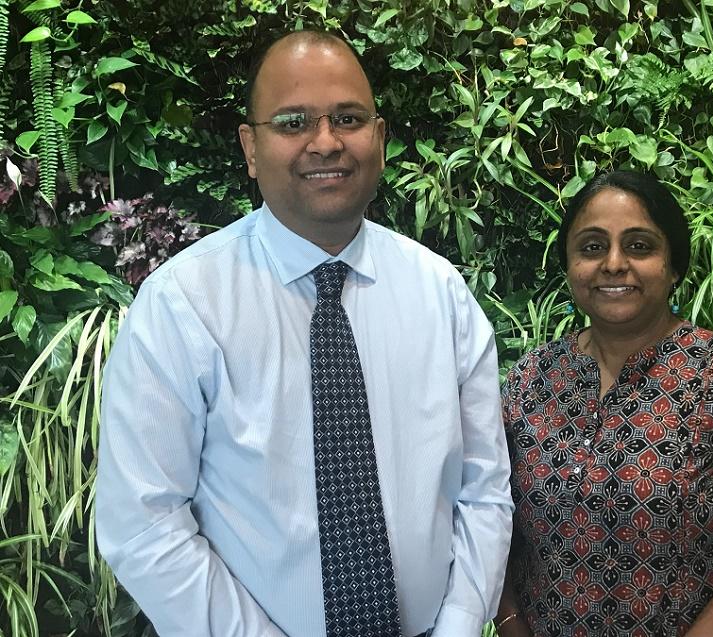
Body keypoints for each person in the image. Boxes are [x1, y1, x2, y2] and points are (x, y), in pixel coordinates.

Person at [96, 30, 513, 637]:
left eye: (348, 118)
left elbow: (484, 487)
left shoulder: (440, 294)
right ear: (251, 147)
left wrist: (458, 624)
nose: (326, 142)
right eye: (293, 122)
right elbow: (144, 521)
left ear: (381, 137)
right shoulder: (183, 304)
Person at [496, 170, 713, 637]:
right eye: (592, 247)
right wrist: (511, 625)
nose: (614, 264)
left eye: (639, 246)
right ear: (569, 265)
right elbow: (490, 522)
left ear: (674, 265)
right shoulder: (529, 381)